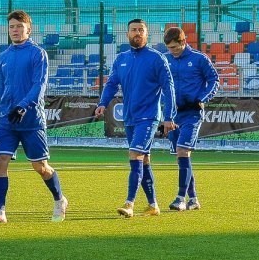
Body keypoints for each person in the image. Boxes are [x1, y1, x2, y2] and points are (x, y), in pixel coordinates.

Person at [0, 10, 67, 224]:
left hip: (31, 120)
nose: (15, 30)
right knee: (0, 161)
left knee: (40, 167)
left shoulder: (38, 53)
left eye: (19, 26)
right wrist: (1, 113)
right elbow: (2, 87)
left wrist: (23, 106)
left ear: (28, 29)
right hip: (7, 120)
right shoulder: (3, 56)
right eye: (12, 26)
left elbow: (39, 85)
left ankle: (60, 199)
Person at [94, 18, 176, 218]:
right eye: (133, 30)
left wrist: (168, 117)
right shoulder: (121, 58)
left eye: (141, 30)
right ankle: (153, 205)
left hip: (148, 117)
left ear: (146, 35)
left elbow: (169, 88)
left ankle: (129, 203)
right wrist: (102, 103)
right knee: (144, 159)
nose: (137, 33)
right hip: (130, 118)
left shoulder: (157, 59)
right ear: (127, 34)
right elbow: (112, 83)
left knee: (135, 155)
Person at [162, 25, 219, 211]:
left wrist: (201, 98)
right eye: (169, 48)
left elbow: (214, 80)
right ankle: (193, 199)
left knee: (182, 151)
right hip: (173, 115)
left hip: (192, 113)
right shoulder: (165, 60)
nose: (172, 51)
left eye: (175, 47)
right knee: (182, 157)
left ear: (184, 42)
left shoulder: (199, 59)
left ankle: (180, 198)